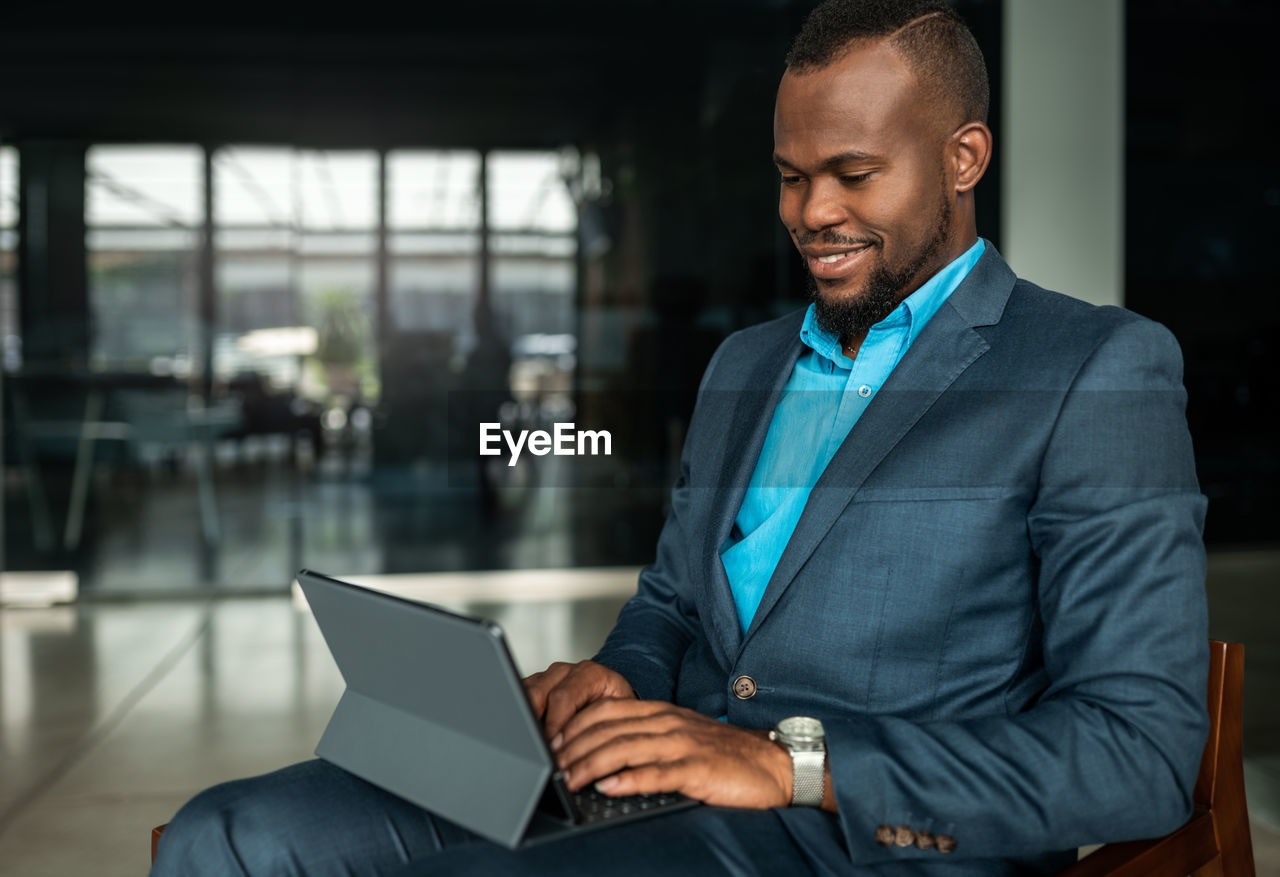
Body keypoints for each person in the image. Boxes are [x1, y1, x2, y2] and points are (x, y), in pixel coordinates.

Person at [151, 1, 1209, 874]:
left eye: (853, 172)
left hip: (856, 837)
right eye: (791, 176)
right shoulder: (745, 365)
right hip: (655, 784)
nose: (811, 211)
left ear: (963, 156)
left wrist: (789, 765)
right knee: (226, 834)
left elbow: (1137, 750)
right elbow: (669, 601)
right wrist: (617, 675)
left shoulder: (1091, 368)